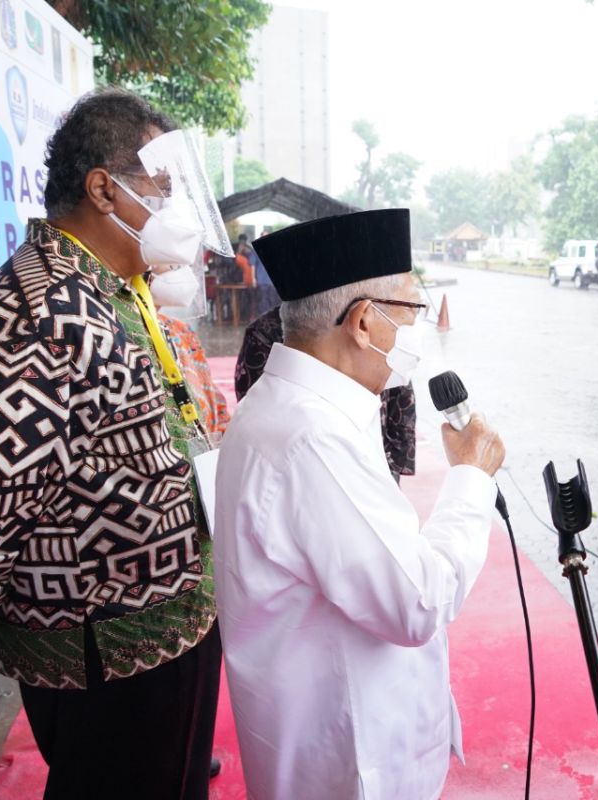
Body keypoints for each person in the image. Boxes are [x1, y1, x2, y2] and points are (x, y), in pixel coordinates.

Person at [0, 88, 226, 799]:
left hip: (164, 621)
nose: (177, 212)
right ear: (104, 190)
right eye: (161, 191)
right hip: (104, 650)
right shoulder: (38, 307)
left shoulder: (110, 285)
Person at [212, 209, 505, 799]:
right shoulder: (310, 438)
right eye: (411, 309)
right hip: (349, 760)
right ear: (366, 323)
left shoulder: (301, 406)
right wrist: (471, 479)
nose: (419, 327)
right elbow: (417, 602)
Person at [234, 304, 417, 481]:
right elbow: (256, 401)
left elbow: (399, 388)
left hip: (377, 450)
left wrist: (394, 459)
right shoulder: (263, 332)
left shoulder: (377, 324)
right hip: (302, 463)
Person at [151, 268, 231, 436]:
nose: (181, 270)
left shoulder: (180, 329)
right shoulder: (121, 333)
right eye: (173, 265)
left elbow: (213, 399)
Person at [240, 232, 281, 315]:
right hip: (262, 281)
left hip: (272, 282)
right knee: (263, 302)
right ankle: (264, 320)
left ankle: (272, 320)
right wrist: (253, 279)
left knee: (273, 301)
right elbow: (252, 265)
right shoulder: (256, 250)